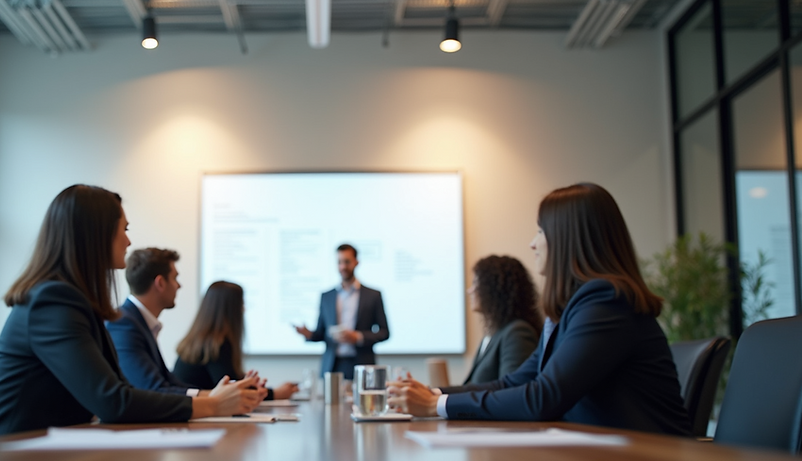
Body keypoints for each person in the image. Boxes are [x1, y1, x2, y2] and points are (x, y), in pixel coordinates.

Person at [389, 183, 692, 436]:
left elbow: (543, 398)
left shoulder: (606, 301)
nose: (532, 244)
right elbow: (515, 382)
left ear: (566, 239)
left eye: (540, 232)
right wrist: (434, 394)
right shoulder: (574, 309)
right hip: (605, 459)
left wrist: (434, 406)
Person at [0, 185, 263, 438]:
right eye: (123, 230)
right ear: (95, 236)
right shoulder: (53, 301)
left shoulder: (73, 300)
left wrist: (212, 399)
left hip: (42, 456)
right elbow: (112, 402)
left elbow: (122, 390)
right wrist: (212, 404)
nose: (128, 241)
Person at [174, 281, 299, 400]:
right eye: (241, 304)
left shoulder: (202, 342)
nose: (243, 309)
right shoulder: (217, 345)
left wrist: (251, 384)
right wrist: (275, 393)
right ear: (231, 309)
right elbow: (233, 392)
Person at [106, 247, 204, 396]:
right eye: (174, 278)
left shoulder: (139, 321)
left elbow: (169, 382)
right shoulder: (123, 325)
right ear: (160, 283)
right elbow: (152, 389)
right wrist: (216, 400)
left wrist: (216, 395)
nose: (179, 285)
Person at [294, 244, 389, 379]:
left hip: (362, 365)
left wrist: (358, 337)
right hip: (333, 365)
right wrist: (308, 334)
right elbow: (321, 333)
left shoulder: (373, 295)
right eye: (339, 262)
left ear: (356, 262)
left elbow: (384, 332)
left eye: (347, 262)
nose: (343, 266)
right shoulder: (327, 297)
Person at [461, 255, 542, 384]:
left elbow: (512, 391)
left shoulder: (517, 333)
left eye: (475, 283)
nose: (469, 290)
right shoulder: (493, 335)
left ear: (493, 288)